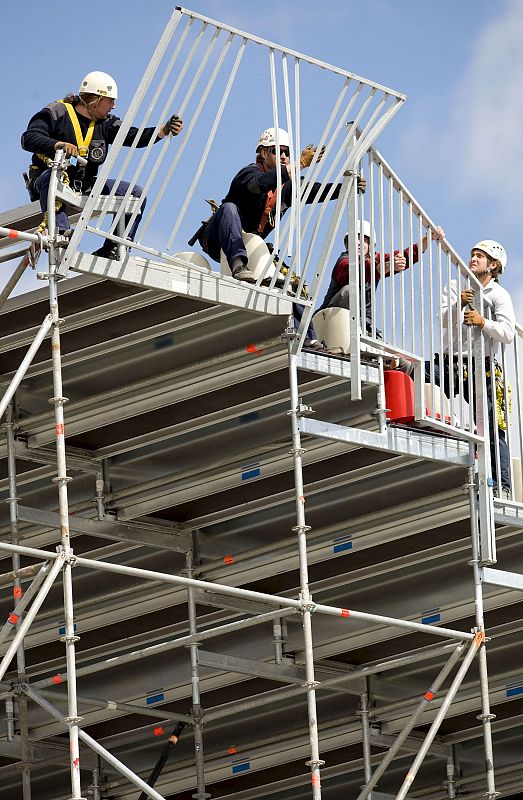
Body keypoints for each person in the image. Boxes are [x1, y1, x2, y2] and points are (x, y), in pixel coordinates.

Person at [191, 126, 364, 349]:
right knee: (229, 208)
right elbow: (260, 185)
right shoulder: (248, 174)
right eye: (277, 151)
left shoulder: (285, 187)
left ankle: (307, 337)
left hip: (251, 244)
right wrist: (299, 164)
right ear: (263, 152)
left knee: (289, 282)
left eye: (287, 152)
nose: (283, 156)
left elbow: (313, 191)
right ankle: (238, 265)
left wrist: (347, 188)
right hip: (219, 238)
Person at [21, 70, 183, 258]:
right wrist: (57, 144)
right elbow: (29, 138)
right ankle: (61, 233)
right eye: (110, 100)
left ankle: (114, 247)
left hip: (84, 186)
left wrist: (162, 130)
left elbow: (133, 136)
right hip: (48, 180)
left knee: (135, 194)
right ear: (95, 99)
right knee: (53, 176)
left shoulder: (106, 123)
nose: (113, 106)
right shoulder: (57, 112)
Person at [425, 240, 515, 498]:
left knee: (491, 427)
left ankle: (503, 486)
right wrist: (459, 306)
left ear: (494, 265)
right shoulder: (456, 287)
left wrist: (483, 321)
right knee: (416, 377)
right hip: (449, 363)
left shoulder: (498, 295)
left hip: (480, 368)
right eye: (472, 254)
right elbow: (443, 320)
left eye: (480, 256)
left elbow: (508, 333)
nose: (473, 259)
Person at [317, 223, 445, 373]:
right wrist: (389, 266)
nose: (358, 243)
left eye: (364, 240)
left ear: (370, 245)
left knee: (405, 365)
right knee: (349, 290)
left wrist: (429, 238)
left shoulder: (375, 259)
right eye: (353, 240)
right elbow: (362, 270)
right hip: (331, 324)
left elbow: (405, 256)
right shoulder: (343, 261)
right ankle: (350, 342)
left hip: (362, 327)